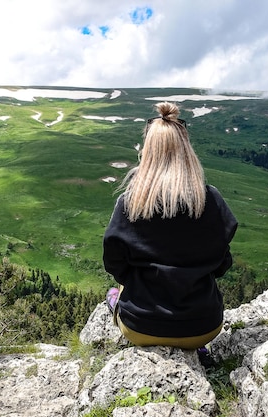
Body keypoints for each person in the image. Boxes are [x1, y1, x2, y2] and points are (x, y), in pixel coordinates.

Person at [102, 101, 238, 350]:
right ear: (187, 151)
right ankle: (196, 347)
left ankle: (116, 301)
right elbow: (222, 263)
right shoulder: (211, 200)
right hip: (204, 327)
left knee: (119, 288)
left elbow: (114, 263)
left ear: (147, 151)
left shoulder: (130, 203)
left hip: (141, 327)